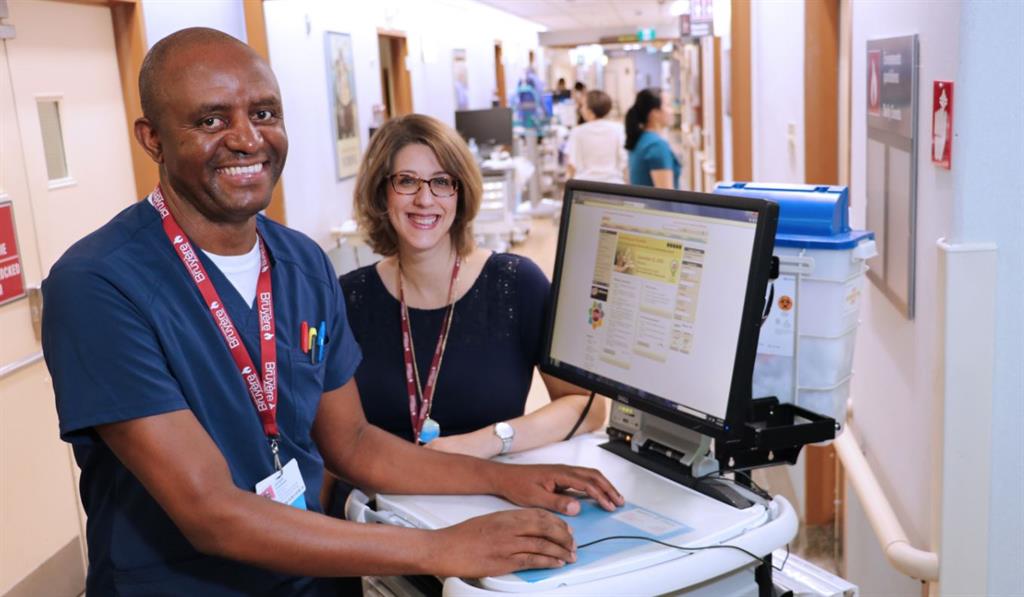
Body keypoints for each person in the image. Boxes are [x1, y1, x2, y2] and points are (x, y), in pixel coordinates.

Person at [40, 27, 623, 596]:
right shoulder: (98, 286)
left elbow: (354, 445)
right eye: (211, 119)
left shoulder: (301, 263)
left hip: (314, 576)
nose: (247, 138)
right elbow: (210, 512)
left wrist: (506, 479)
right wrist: (441, 547)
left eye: (265, 113)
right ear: (153, 138)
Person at [335, 113, 608, 462]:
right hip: (380, 506)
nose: (424, 198)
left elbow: (588, 406)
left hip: (488, 500)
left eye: (442, 182)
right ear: (381, 193)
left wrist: (492, 440)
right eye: (406, 181)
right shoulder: (348, 298)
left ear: (460, 193)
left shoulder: (516, 284)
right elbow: (335, 440)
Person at [565, 90, 627, 183]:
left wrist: (567, 188)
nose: (580, 109)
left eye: (583, 106)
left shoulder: (577, 131)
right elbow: (625, 161)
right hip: (614, 185)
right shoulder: (619, 129)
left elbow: (571, 165)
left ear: (590, 112)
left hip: (584, 186)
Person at [624, 88, 681, 189]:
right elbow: (666, 196)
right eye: (667, 105)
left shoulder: (641, 139)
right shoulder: (657, 146)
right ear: (654, 113)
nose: (672, 111)